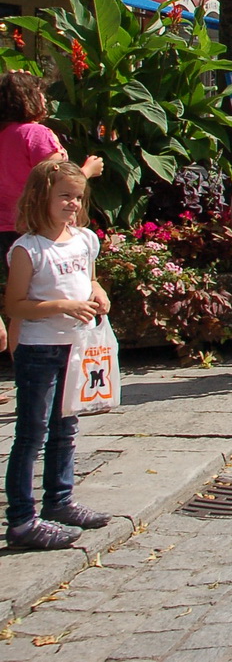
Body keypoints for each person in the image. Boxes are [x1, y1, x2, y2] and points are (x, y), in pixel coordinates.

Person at [3, 161, 112, 550]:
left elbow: (91, 278)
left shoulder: (84, 239)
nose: (72, 203)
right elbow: (16, 305)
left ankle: (60, 500)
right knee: (31, 433)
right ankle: (20, 518)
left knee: (65, 429)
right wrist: (62, 306)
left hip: (76, 347)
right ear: (41, 198)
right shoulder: (28, 250)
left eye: (77, 197)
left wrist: (98, 294)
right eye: (64, 196)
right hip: (39, 348)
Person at [0, 72, 103, 260]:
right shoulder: (36, 134)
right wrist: (89, 170)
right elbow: (59, 179)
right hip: (37, 226)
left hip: (5, 226)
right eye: (40, 93)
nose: (44, 99)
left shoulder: (5, 133)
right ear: (29, 98)